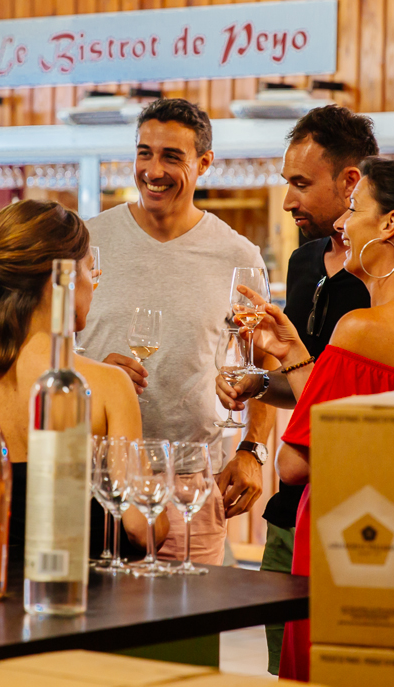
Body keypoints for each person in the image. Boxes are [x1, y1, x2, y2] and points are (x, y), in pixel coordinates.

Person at [227, 158, 394, 681]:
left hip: (343, 544)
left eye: (355, 209)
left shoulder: (360, 328)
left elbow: (295, 463)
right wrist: (294, 351)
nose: (341, 223)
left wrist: (291, 360)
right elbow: (353, 429)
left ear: (389, 224)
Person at [79, 98, 273, 566]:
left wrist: (253, 448)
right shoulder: (88, 241)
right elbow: (47, 343)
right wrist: (92, 371)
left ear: (204, 163)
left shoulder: (237, 256)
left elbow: (264, 359)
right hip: (93, 482)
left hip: (189, 483)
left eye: (171, 156)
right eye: (144, 153)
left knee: (190, 632)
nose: (153, 170)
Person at [0, 199, 161, 554]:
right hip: (83, 598)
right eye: (90, 271)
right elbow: (141, 527)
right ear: (60, 279)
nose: (93, 285)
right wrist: (167, 500)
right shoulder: (106, 385)